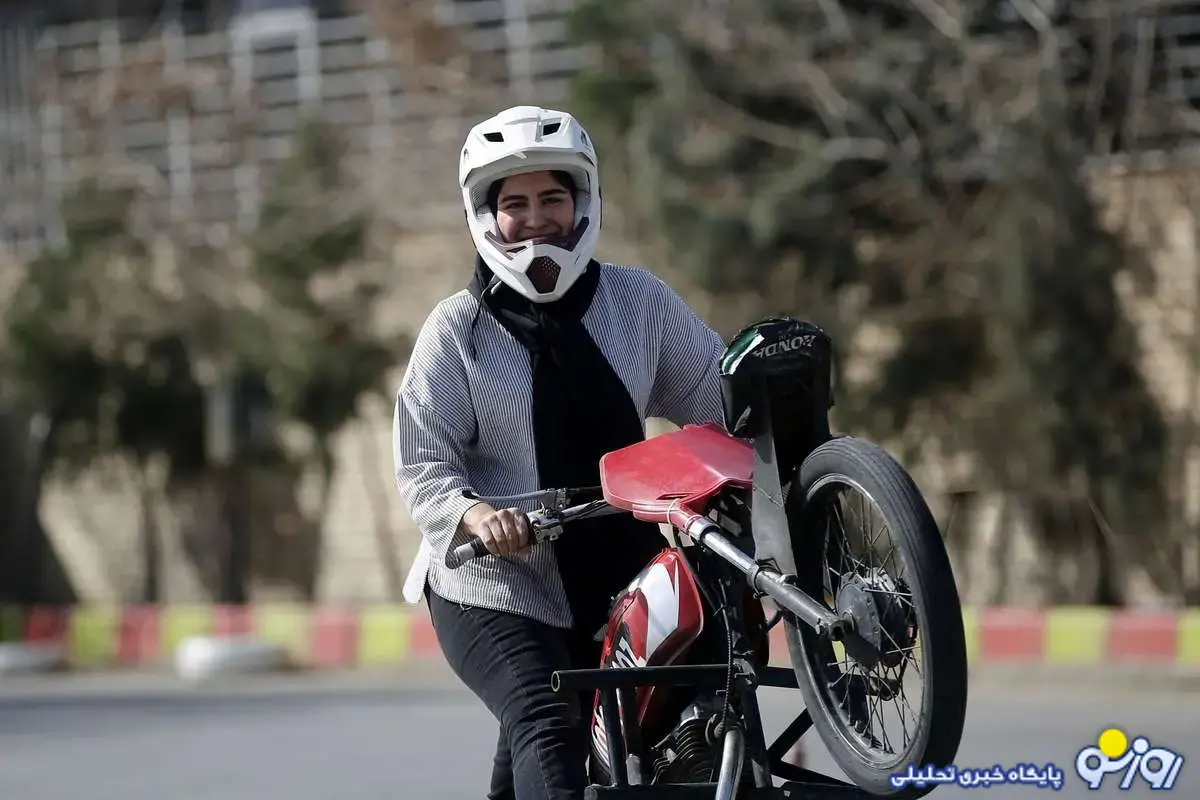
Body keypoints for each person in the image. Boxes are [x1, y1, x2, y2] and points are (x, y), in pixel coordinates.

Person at [393, 105, 730, 800]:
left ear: (584, 201)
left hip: (622, 569)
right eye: (514, 204)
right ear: (485, 216)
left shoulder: (639, 302)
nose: (535, 220)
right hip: (493, 583)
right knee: (548, 722)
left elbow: (716, 399)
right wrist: (477, 517)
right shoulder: (455, 330)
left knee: (704, 696)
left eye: (552, 198)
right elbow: (423, 464)